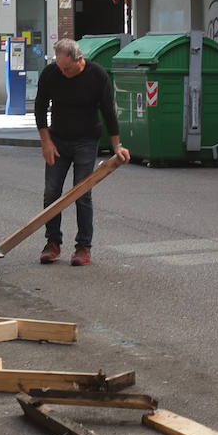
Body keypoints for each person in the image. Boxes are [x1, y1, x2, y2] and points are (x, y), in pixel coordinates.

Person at [34, 37, 130, 267]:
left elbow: (108, 112)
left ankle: (83, 246)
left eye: (67, 68)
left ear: (80, 59)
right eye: (60, 67)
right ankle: (53, 243)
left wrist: (117, 145)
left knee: (82, 192)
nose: (63, 73)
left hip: (86, 141)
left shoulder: (97, 76)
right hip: (58, 139)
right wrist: (46, 142)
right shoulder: (51, 74)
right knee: (51, 192)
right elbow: (39, 107)